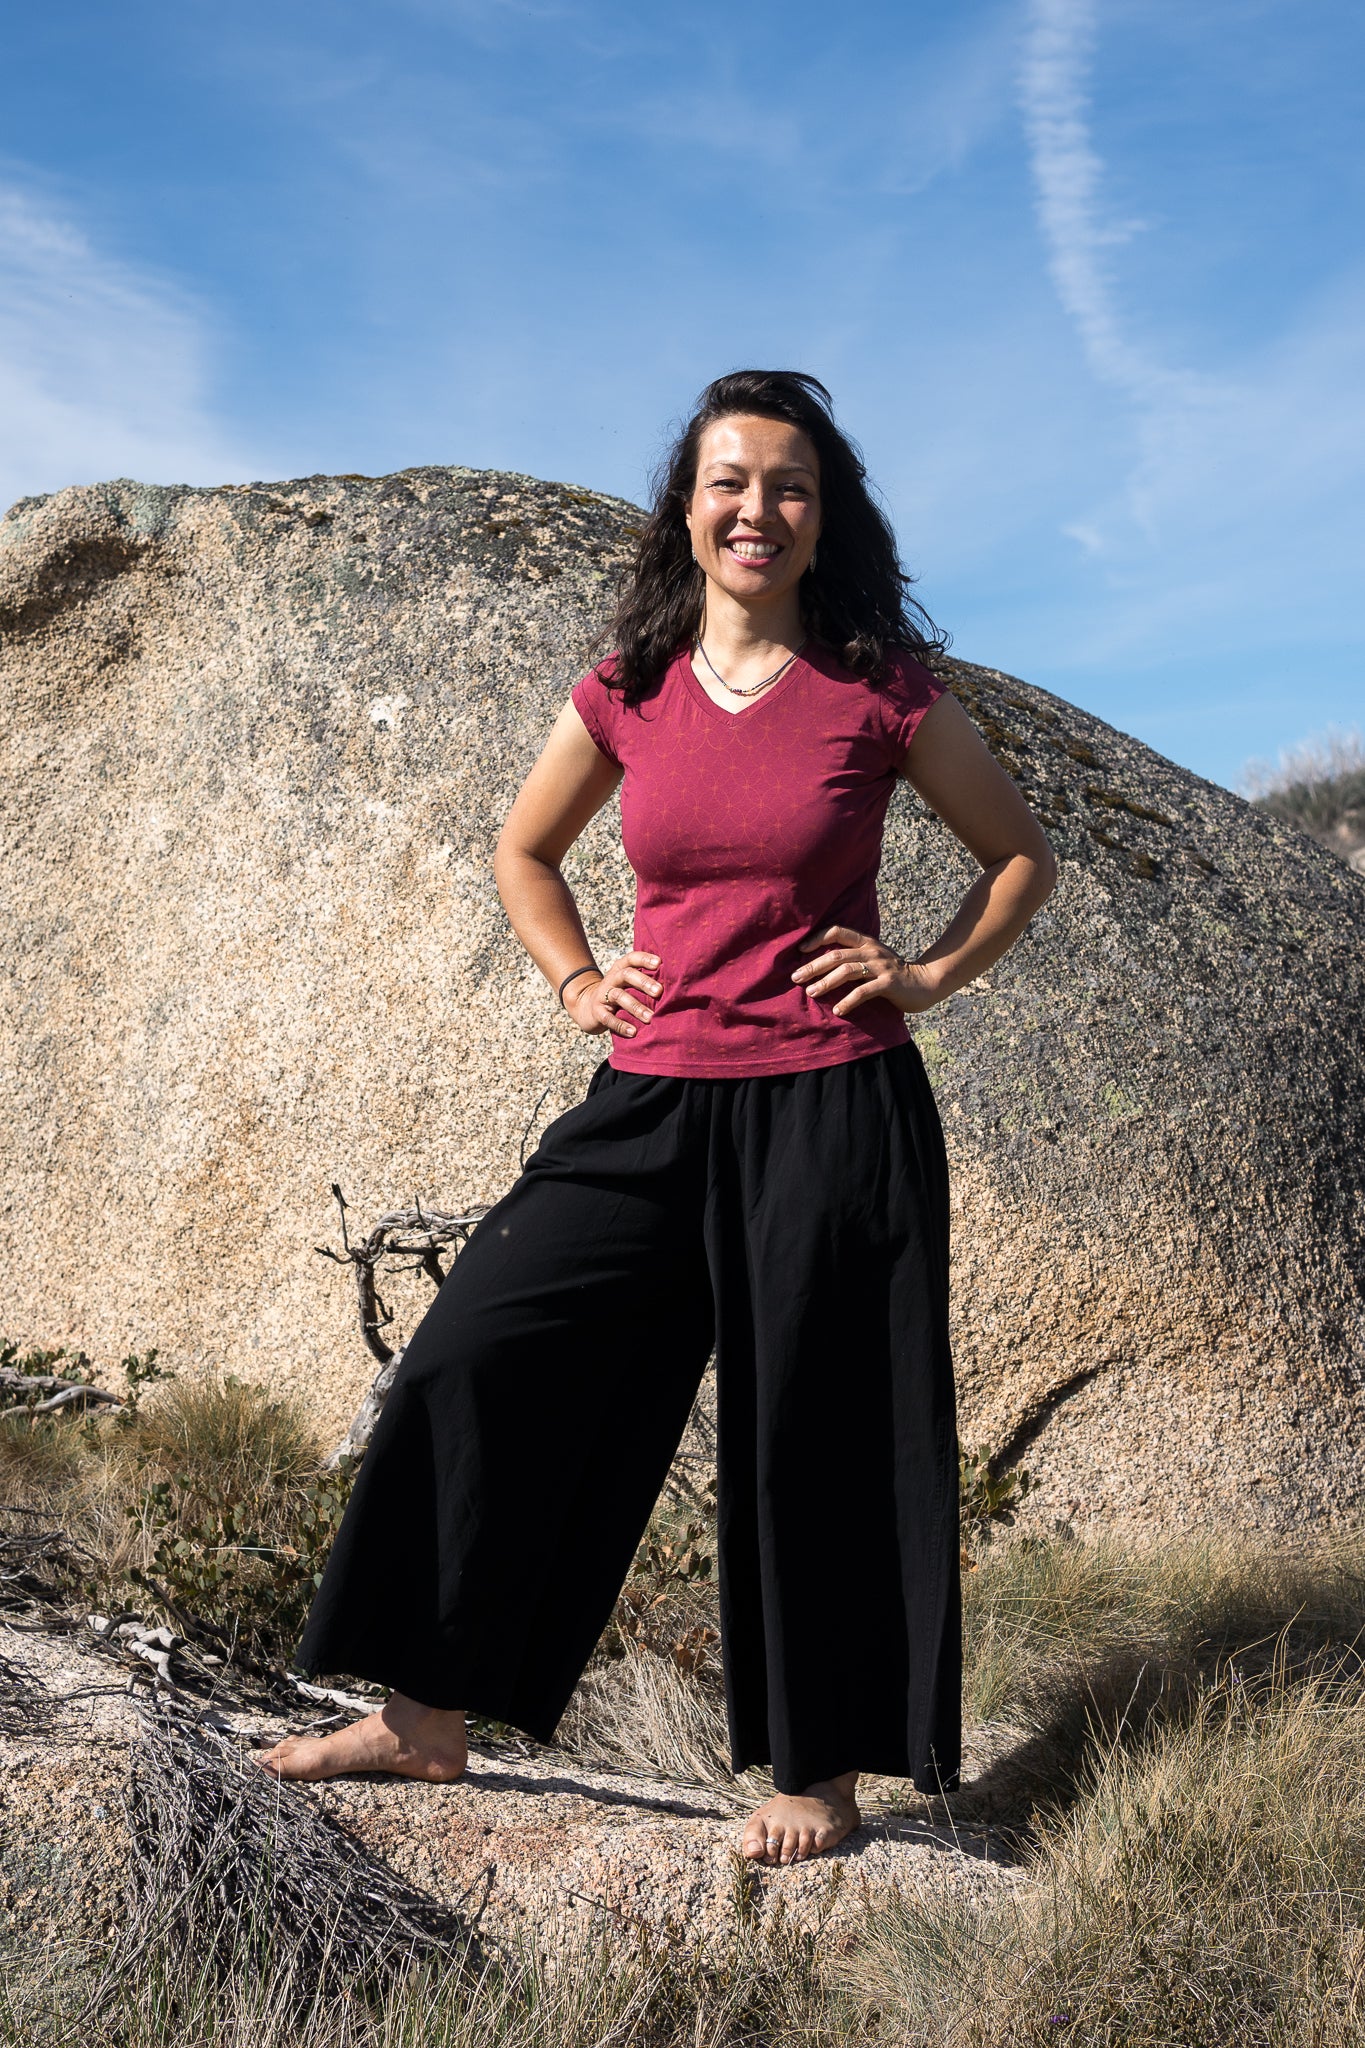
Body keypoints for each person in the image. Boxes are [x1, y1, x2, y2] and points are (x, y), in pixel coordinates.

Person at [260, 369, 1058, 1868]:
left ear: (825, 521)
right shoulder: (629, 687)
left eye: (791, 487)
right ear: (687, 509)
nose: (758, 508)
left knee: (814, 1433)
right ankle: (428, 1713)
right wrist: (576, 980)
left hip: (831, 1101)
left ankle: (819, 1771)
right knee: (479, 1350)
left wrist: (928, 970)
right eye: (731, 481)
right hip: (652, 1096)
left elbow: (1018, 856)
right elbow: (524, 849)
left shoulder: (878, 689)